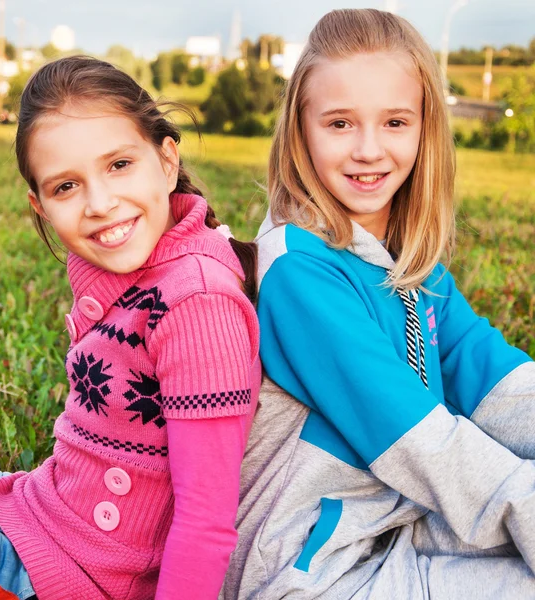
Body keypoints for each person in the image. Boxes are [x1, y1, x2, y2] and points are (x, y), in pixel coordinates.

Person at [221, 9, 535, 600]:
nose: (369, 149)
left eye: (394, 122)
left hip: (397, 527)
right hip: (313, 571)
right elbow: (421, 444)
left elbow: (488, 372)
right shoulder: (297, 273)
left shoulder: (403, 259)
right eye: (340, 123)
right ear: (300, 130)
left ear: (424, 130)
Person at [0, 56, 261, 600]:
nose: (101, 204)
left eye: (118, 165)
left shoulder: (198, 304)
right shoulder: (123, 265)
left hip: (64, 579)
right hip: (32, 510)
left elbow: (207, 522)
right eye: (67, 187)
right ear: (39, 206)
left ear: (166, 158)